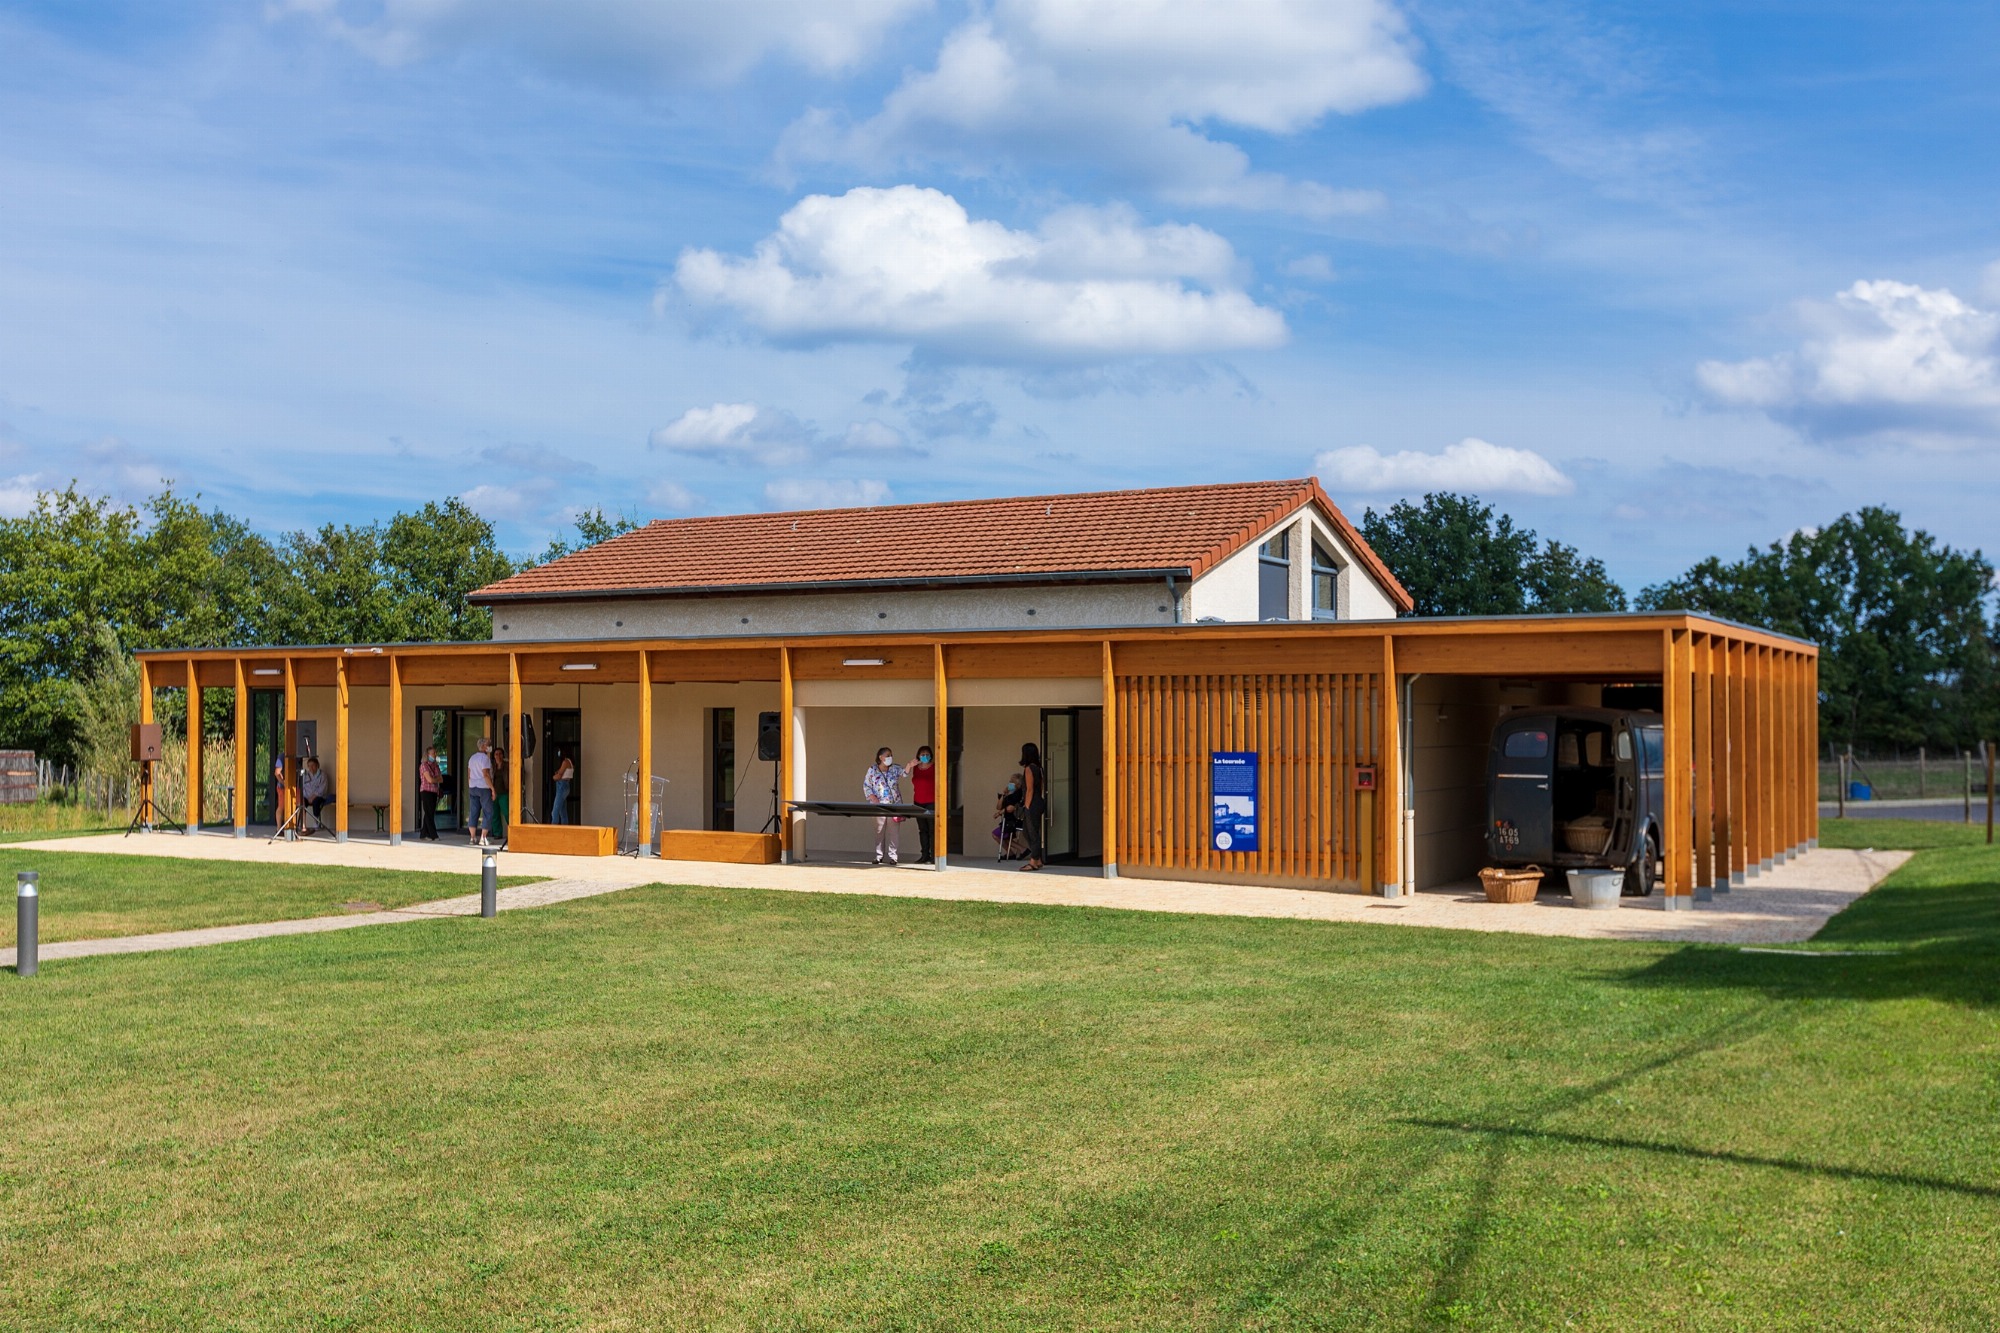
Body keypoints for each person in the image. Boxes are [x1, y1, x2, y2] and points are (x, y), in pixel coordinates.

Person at [861, 745, 904, 866]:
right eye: (887, 755)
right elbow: (866, 785)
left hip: (894, 805)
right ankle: (879, 856)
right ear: (880, 757)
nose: (890, 757)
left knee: (894, 832)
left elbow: (904, 773)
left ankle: (893, 857)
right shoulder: (872, 769)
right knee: (879, 831)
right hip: (878, 805)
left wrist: (910, 765)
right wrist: (872, 797)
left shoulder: (895, 769)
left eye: (891, 755)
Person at [1018, 741, 1046, 871]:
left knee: (1031, 832)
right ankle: (1038, 859)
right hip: (1039, 802)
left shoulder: (1029, 769)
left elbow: (1029, 789)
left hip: (1032, 803)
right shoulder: (1039, 768)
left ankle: (1033, 861)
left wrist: (1027, 806)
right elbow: (1040, 787)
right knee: (1027, 830)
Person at [909, 744, 937, 864]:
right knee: (922, 830)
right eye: (922, 754)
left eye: (927, 754)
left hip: (931, 801)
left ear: (930, 756)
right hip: (918, 802)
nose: (924, 756)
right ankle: (924, 854)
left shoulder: (935, 768)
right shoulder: (916, 768)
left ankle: (934, 856)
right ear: (918, 756)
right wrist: (910, 765)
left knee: (932, 830)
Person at [466, 737, 496, 848]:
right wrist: (492, 788)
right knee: (488, 812)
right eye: (488, 745)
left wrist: (470, 785)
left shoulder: (472, 758)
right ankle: (483, 838)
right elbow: (486, 774)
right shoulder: (484, 759)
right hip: (483, 787)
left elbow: (469, 774)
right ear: (483, 746)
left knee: (474, 811)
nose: (489, 747)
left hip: (473, 787)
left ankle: (472, 837)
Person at [300, 756, 333, 834]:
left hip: (319, 796)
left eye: (313, 765)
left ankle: (316, 822)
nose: (311, 768)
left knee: (316, 801)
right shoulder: (306, 775)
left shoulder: (323, 775)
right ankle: (303, 824)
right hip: (307, 796)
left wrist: (313, 796)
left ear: (317, 765)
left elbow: (322, 789)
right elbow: (303, 787)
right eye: (309, 766)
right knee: (301, 802)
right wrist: (306, 796)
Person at [418, 745, 443, 841]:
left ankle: (423, 834)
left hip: (434, 792)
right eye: (433, 753)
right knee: (428, 813)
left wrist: (435, 779)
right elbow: (430, 780)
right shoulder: (424, 766)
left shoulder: (435, 766)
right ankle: (433, 835)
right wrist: (435, 779)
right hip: (426, 791)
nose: (435, 755)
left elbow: (441, 779)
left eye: (435, 753)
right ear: (428, 755)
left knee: (430, 812)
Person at [550, 752, 575, 825]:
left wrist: (553, 777)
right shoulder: (571, 762)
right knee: (563, 812)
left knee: (555, 811)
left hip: (562, 786)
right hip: (566, 785)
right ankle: (565, 828)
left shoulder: (565, 762)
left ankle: (553, 829)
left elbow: (559, 775)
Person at [492, 744, 510, 841]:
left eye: (500, 754)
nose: (498, 756)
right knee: (495, 814)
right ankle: (497, 833)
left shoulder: (507, 765)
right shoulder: (492, 766)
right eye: (496, 754)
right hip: (494, 793)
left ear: (503, 755)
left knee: (507, 813)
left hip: (504, 793)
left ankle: (512, 832)